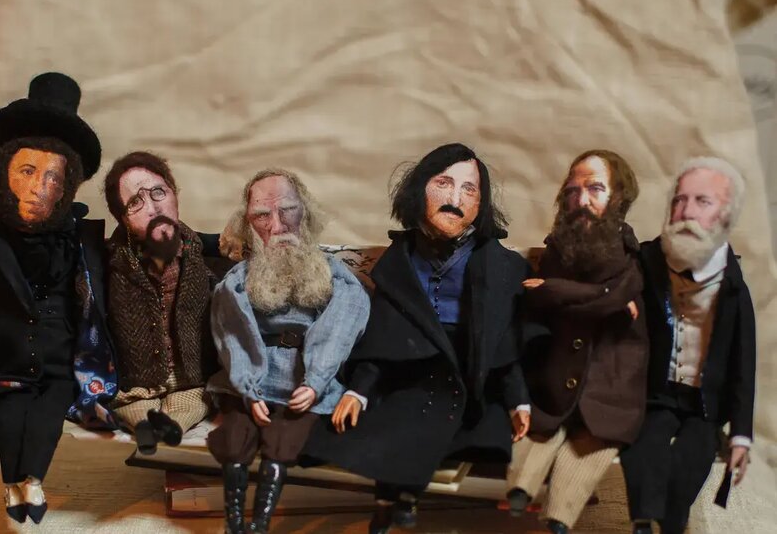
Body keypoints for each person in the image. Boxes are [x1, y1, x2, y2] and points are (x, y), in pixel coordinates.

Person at [301, 142, 532, 534]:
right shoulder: (399, 261)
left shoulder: (502, 265)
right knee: (386, 426)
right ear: (419, 189)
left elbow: (504, 344)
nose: (455, 198)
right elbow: (383, 336)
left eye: (469, 189)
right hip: (408, 370)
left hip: (468, 373)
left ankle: (404, 497)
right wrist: (359, 391)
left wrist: (518, 400)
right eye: (443, 183)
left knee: (440, 427)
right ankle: (386, 502)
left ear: (481, 205)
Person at [0, 72, 115, 524]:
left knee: (50, 412)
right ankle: (12, 485)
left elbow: (109, 294)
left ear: (67, 187)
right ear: (5, 176)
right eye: (28, 172)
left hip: (62, 365)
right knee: (10, 412)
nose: (39, 188)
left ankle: (30, 480)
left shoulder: (79, 244)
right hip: (12, 365)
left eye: (54, 178)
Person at [207, 168, 370, 533]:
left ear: (305, 213)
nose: (278, 225)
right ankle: (234, 522)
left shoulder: (333, 276)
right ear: (249, 225)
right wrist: (247, 386)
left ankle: (261, 523)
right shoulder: (238, 281)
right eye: (262, 216)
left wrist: (315, 381)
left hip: (305, 378)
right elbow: (231, 333)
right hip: (250, 376)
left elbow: (341, 326)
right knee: (235, 438)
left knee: (284, 440)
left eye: (288, 210)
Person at [505, 150, 648, 534]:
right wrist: (595, 299)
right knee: (537, 436)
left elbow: (614, 296)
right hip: (553, 378)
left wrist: (554, 289)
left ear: (618, 197)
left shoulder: (629, 253)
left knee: (590, 447)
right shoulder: (559, 248)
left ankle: (560, 516)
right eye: (572, 191)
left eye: (595, 189)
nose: (581, 200)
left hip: (609, 380)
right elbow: (538, 301)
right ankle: (520, 490)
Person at [621, 157, 755, 534]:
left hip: (705, 404)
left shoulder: (733, 287)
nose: (686, 212)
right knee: (645, 447)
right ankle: (642, 521)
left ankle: (672, 523)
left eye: (702, 201)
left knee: (690, 459)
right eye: (679, 200)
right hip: (656, 394)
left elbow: (744, 364)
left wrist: (741, 434)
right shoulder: (647, 261)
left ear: (726, 216)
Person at [103, 151, 221, 454]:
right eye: (135, 202)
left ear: (174, 194)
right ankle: (143, 425)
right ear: (123, 219)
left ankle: (172, 426)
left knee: (196, 401)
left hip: (189, 375)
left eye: (159, 192)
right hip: (138, 378)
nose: (153, 207)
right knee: (131, 403)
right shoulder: (112, 261)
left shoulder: (196, 252)